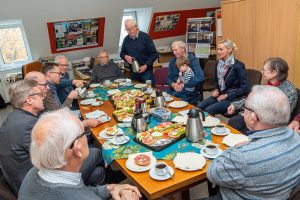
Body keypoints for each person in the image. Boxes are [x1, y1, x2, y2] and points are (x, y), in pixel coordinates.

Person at [18, 109, 141, 200]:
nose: (86, 137)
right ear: (77, 148)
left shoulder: (33, 173)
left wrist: (110, 188)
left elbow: (77, 189)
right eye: (84, 133)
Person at [206, 85, 300, 200]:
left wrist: (234, 148)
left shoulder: (243, 156)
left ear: (253, 117)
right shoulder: (296, 138)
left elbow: (212, 173)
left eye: (245, 108)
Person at [228, 57, 298, 134]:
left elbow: (279, 116)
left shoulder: (289, 91)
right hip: (256, 116)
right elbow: (253, 99)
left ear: (274, 73)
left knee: (243, 131)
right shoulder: (268, 84)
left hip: (270, 125)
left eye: (264, 70)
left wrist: (252, 115)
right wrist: (236, 105)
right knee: (233, 122)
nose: (261, 72)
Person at [0, 79, 45, 196]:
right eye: (40, 94)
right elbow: (51, 159)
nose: (43, 97)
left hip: (16, 181)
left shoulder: (12, 117)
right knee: (95, 153)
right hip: (34, 186)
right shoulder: (29, 124)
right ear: (29, 100)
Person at [197, 39, 248, 115]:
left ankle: (210, 126)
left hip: (232, 97)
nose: (218, 52)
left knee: (209, 110)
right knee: (200, 106)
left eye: (221, 49)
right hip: (220, 94)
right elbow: (217, 80)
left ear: (229, 50)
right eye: (218, 49)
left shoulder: (238, 66)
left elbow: (245, 88)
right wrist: (215, 89)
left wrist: (226, 95)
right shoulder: (218, 63)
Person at [120, 19, 158, 83]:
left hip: (146, 71)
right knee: (136, 91)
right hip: (133, 72)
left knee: (149, 90)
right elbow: (122, 53)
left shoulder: (145, 37)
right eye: (127, 29)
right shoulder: (126, 39)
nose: (130, 31)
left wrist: (146, 65)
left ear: (136, 27)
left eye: (131, 28)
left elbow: (154, 54)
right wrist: (125, 56)